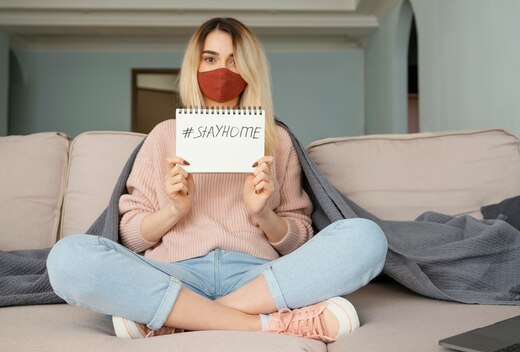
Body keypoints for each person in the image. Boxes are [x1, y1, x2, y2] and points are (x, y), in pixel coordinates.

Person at [46, 17, 387, 343]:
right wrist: (174, 210)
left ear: (251, 71)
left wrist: (263, 214)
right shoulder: (164, 135)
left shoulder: (277, 140)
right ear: (194, 66)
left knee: (366, 237)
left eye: (234, 61)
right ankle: (267, 324)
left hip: (257, 278)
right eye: (210, 58)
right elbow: (128, 236)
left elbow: (300, 239)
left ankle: (178, 321)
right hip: (174, 275)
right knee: (67, 257)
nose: (221, 71)